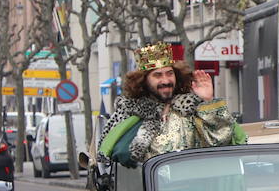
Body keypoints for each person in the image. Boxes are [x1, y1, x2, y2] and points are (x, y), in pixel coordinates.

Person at [96, 41, 240, 165]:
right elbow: (111, 156)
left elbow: (223, 140)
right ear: (143, 81)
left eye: (169, 74)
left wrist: (208, 101)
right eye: (157, 75)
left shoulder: (193, 109)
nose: (165, 80)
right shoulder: (128, 113)